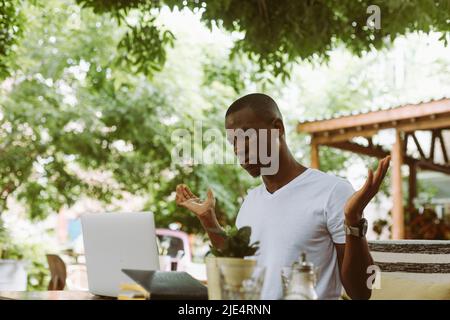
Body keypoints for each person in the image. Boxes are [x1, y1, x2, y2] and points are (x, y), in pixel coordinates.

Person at [175, 93, 390, 300]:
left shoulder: (333, 191)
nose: (239, 149)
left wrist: (353, 220)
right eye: (233, 142)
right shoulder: (251, 201)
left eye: (246, 136)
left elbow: (362, 291)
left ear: (277, 128)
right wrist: (208, 221)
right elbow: (236, 268)